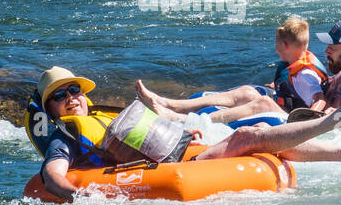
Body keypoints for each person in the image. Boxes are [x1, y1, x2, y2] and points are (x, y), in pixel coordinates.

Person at [36, 66, 341, 200]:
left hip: (177, 155)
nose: (72, 99)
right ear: (51, 108)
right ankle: (337, 122)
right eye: (60, 96)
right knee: (248, 136)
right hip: (160, 172)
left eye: (75, 91)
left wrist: (180, 135)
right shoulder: (62, 137)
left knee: (259, 136)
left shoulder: (101, 116)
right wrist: (82, 200)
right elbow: (53, 177)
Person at [134, 16, 328, 124]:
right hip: (286, 108)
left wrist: (309, 117)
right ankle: (171, 103)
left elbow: (319, 99)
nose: (275, 48)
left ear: (286, 45)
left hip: (291, 121)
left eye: (277, 44)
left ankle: (180, 119)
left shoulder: (305, 75)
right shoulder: (297, 61)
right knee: (246, 92)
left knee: (262, 103)